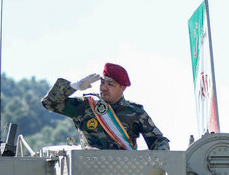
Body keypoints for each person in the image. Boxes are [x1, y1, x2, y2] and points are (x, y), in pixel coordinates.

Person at [40, 63, 169, 151]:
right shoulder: (86, 106)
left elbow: (158, 141)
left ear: (122, 88)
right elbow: (49, 103)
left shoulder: (136, 112)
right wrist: (74, 87)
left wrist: (159, 162)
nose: (103, 88)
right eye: (102, 82)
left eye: (110, 84)